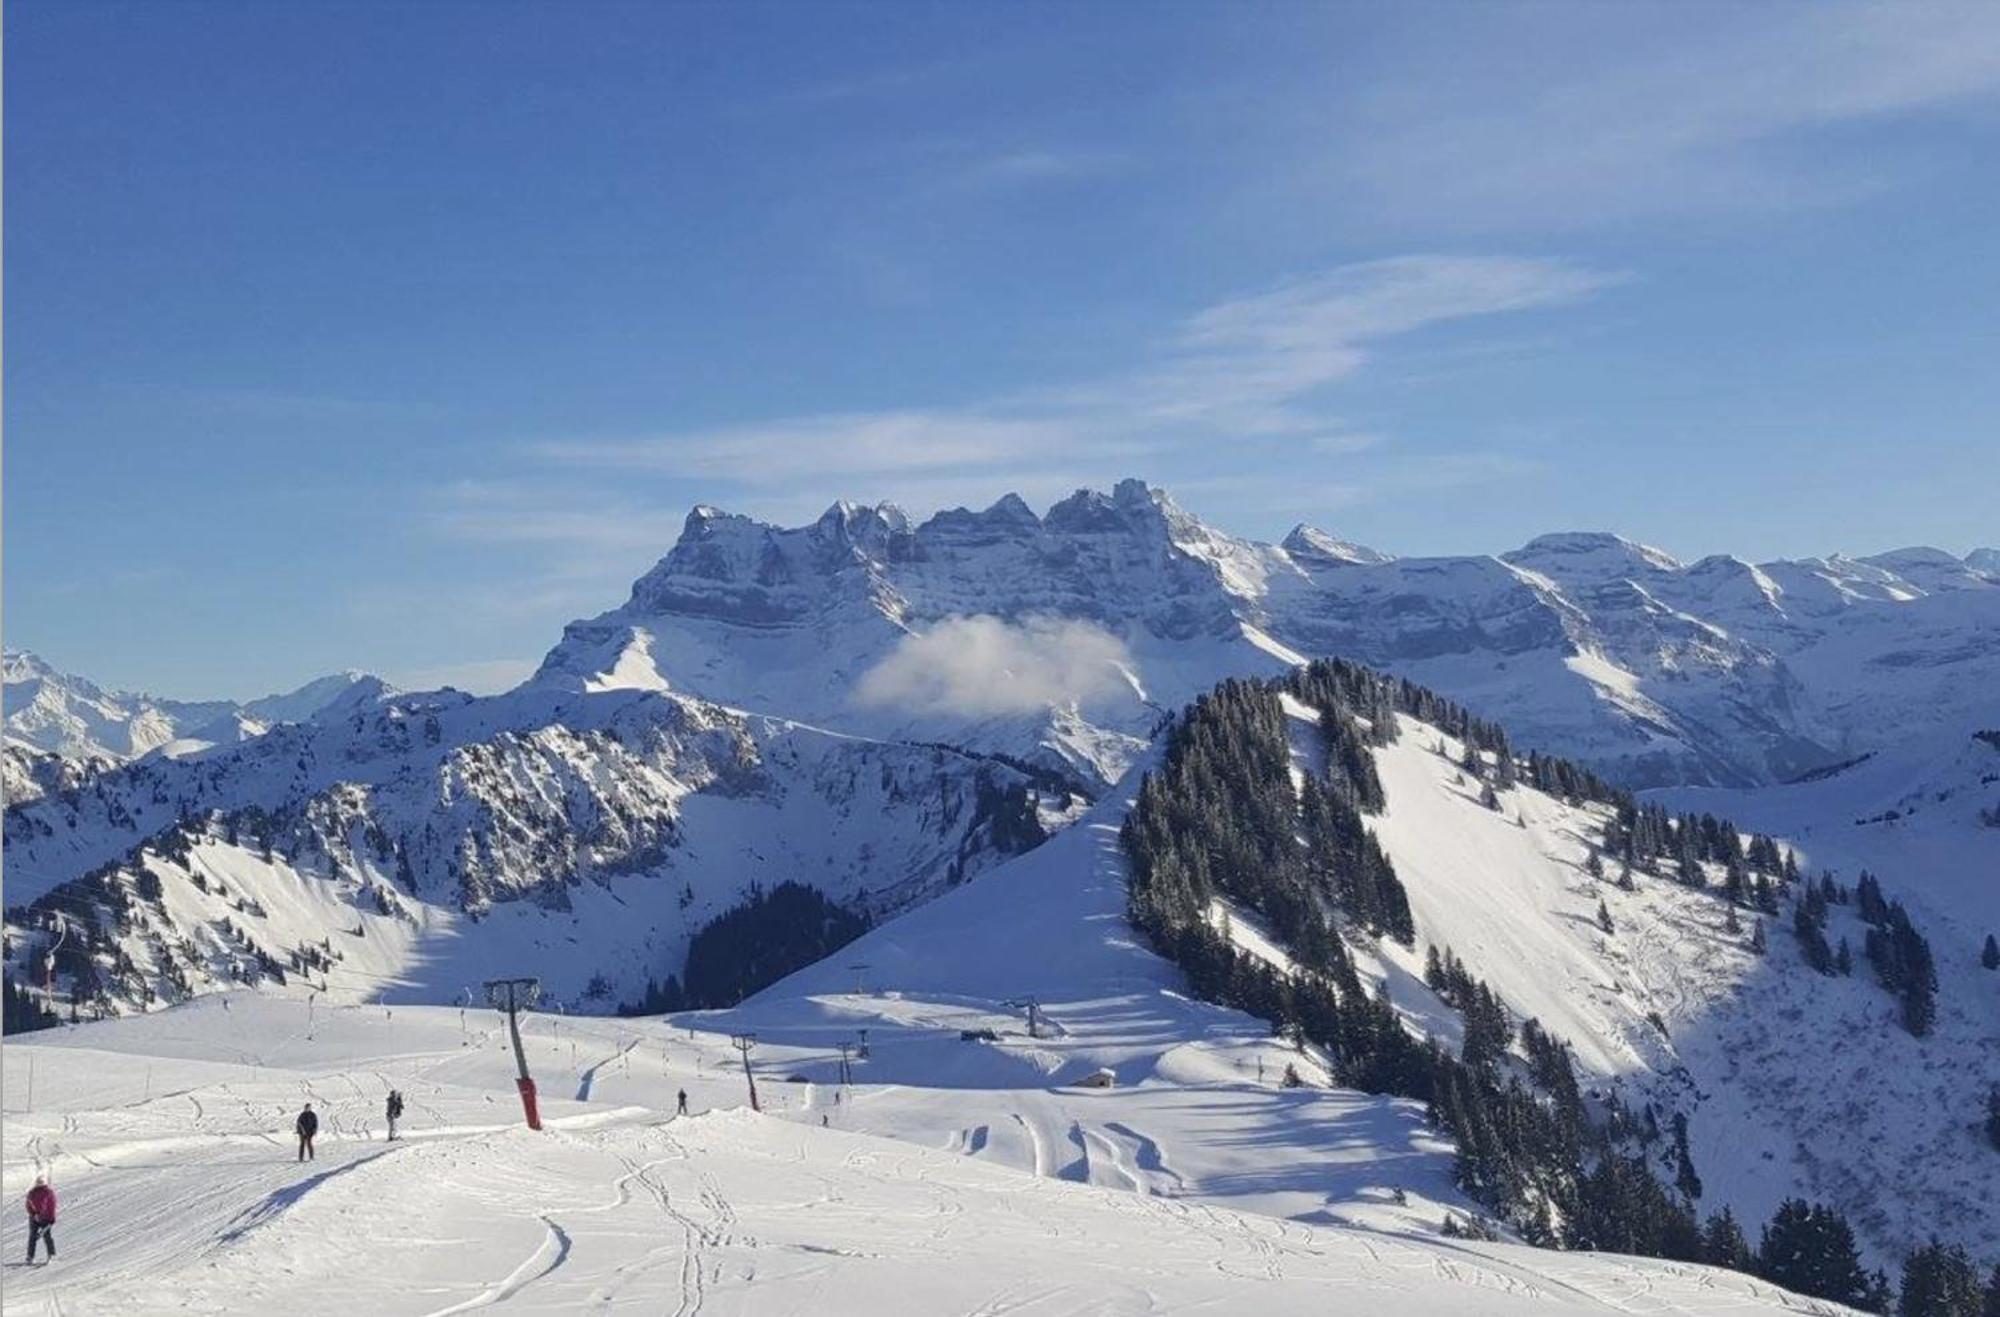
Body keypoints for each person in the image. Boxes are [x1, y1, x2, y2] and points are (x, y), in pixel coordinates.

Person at [24, 1176, 56, 1265]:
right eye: (39, 1182)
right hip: (35, 1218)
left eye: (42, 1182)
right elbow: (28, 1204)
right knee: (32, 1237)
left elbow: (52, 1206)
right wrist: (33, 1214)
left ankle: (51, 1255)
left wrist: (52, 1218)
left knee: (47, 1236)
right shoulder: (32, 1193)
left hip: (45, 1218)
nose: (40, 1184)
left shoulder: (48, 1193)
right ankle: (30, 1256)